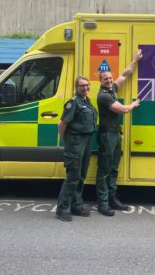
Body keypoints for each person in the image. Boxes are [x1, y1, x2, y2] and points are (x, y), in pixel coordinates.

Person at [96, 49, 142, 216]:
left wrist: (135, 60)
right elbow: (122, 109)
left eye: (109, 78)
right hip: (107, 135)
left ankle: (112, 199)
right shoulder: (103, 96)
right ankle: (103, 203)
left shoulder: (112, 90)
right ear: (100, 81)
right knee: (104, 171)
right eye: (105, 79)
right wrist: (133, 105)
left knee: (114, 168)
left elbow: (124, 75)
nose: (109, 80)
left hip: (114, 134)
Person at [56, 76, 97, 222]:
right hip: (75, 142)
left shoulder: (86, 101)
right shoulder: (73, 103)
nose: (85, 88)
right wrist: (66, 141)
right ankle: (62, 209)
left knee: (80, 176)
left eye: (87, 85)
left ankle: (76, 205)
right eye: (82, 86)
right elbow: (62, 124)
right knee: (72, 177)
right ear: (76, 87)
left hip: (86, 141)